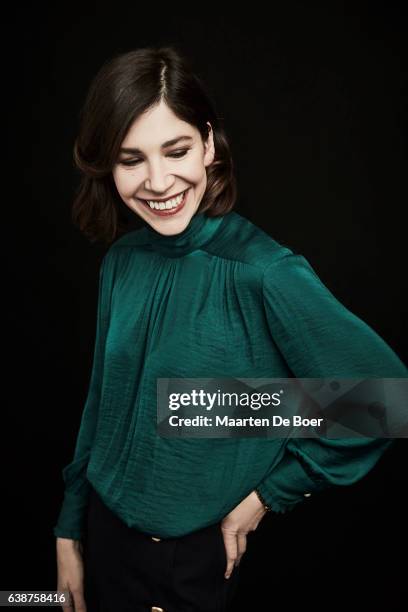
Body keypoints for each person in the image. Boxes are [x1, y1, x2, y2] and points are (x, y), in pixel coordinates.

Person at [54, 45, 407, 612]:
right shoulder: (122, 260)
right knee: (21, 603)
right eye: (131, 159)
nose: (158, 181)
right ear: (107, 166)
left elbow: (385, 399)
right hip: (98, 536)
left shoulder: (264, 272)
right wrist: (68, 532)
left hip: (180, 566)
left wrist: (266, 494)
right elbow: (102, 401)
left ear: (210, 145)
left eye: (176, 150)